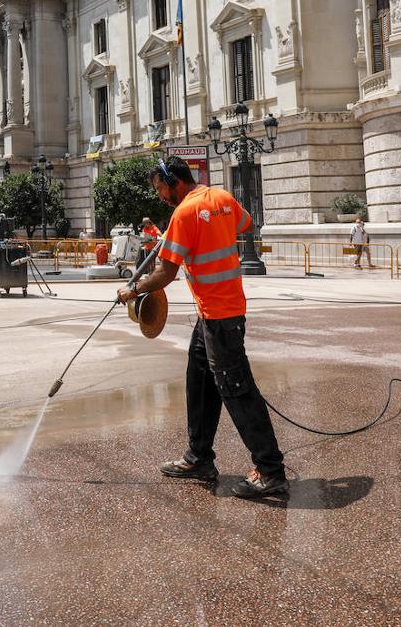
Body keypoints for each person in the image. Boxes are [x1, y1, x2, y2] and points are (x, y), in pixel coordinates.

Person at [117, 157, 288, 498]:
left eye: (160, 188)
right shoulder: (222, 198)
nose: (160, 195)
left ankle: (270, 470)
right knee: (199, 381)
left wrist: (132, 290)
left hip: (220, 316)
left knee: (237, 390)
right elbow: (246, 224)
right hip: (216, 311)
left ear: (172, 181)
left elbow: (165, 273)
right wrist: (199, 230)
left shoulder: (183, 213)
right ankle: (199, 457)